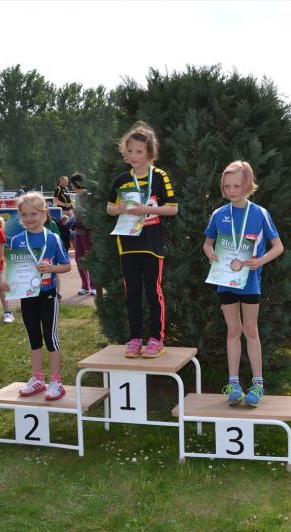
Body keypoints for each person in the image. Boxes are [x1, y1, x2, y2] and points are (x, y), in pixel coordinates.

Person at [204, 161, 284, 407]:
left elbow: (278, 247)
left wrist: (259, 261)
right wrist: (209, 252)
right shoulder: (219, 214)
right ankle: (234, 383)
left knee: (250, 330)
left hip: (250, 283)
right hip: (225, 281)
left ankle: (258, 384)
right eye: (227, 186)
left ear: (248, 186)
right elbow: (207, 243)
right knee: (232, 330)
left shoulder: (259, 213)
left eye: (236, 186)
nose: (231, 190)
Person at [107, 122, 179, 358]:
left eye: (139, 151)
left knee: (153, 292)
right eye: (130, 151)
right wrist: (119, 209)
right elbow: (109, 208)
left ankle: (156, 339)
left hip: (151, 244)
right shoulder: (121, 180)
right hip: (127, 243)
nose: (134, 156)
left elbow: (172, 208)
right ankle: (135, 338)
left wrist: (147, 210)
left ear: (150, 152)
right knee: (132, 293)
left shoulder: (159, 176)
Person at [0, 193, 71, 400]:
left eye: (34, 214)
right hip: (27, 296)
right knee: (33, 336)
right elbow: (15, 269)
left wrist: (52, 268)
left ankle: (56, 381)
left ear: (43, 214)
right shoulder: (17, 240)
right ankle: (38, 378)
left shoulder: (53, 238)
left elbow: (66, 265)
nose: (29, 218)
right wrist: (8, 282)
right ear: (20, 217)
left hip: (47, 294)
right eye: (24, 214)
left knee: (51, 337)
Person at [69, 173, 96, 296]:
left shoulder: (88, 196)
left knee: (89, 258)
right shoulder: (76, 196)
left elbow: (91, 213)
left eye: (72, 183)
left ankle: (94, 286)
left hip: (88, 231)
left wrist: (84, 223)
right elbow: (77, 213)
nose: (71, 186)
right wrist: (74, 222)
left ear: (76, 184)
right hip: (78, 232)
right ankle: (85, 285)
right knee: (79, 258)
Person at [53, 176, 73, 251]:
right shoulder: (58, 189)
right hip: (63, 211)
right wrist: (65, 204)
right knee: (63, 227)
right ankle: (63, 245)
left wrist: (71, 207)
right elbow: (55, 201)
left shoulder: (67, 189)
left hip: (69, 211)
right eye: (65, 181)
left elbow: (69, 199)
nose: (66, 182)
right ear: (61, 181)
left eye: (67, 181)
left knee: (71, 226)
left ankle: (69, 244)